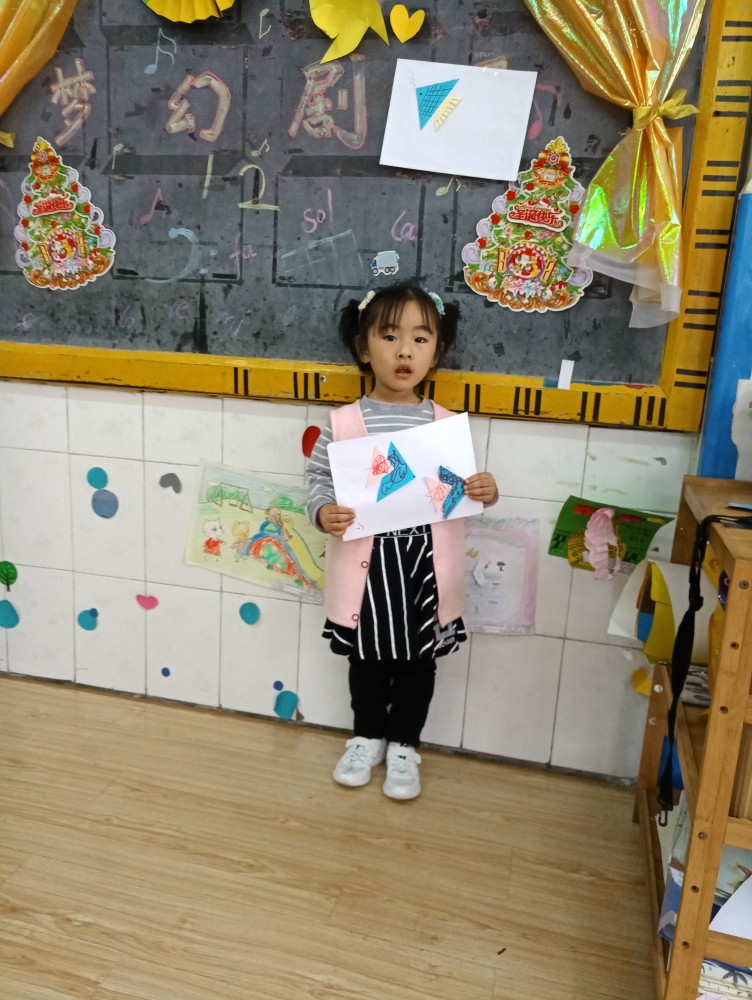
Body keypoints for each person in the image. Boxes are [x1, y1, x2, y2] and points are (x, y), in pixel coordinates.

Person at [306, 284, 498, 800]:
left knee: (418, 663)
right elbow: (318, 481)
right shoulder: (343, 424)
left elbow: (459, 490)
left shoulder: (445, 426)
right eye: (389, 337)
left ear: (437, 351)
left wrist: (484, 489)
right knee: (366, 660)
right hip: (367, 566)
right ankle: (366, 737)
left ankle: (405, 745)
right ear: (363, 348)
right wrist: (323, 512)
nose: (404, 351)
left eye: (420, 338)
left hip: (425, 566)